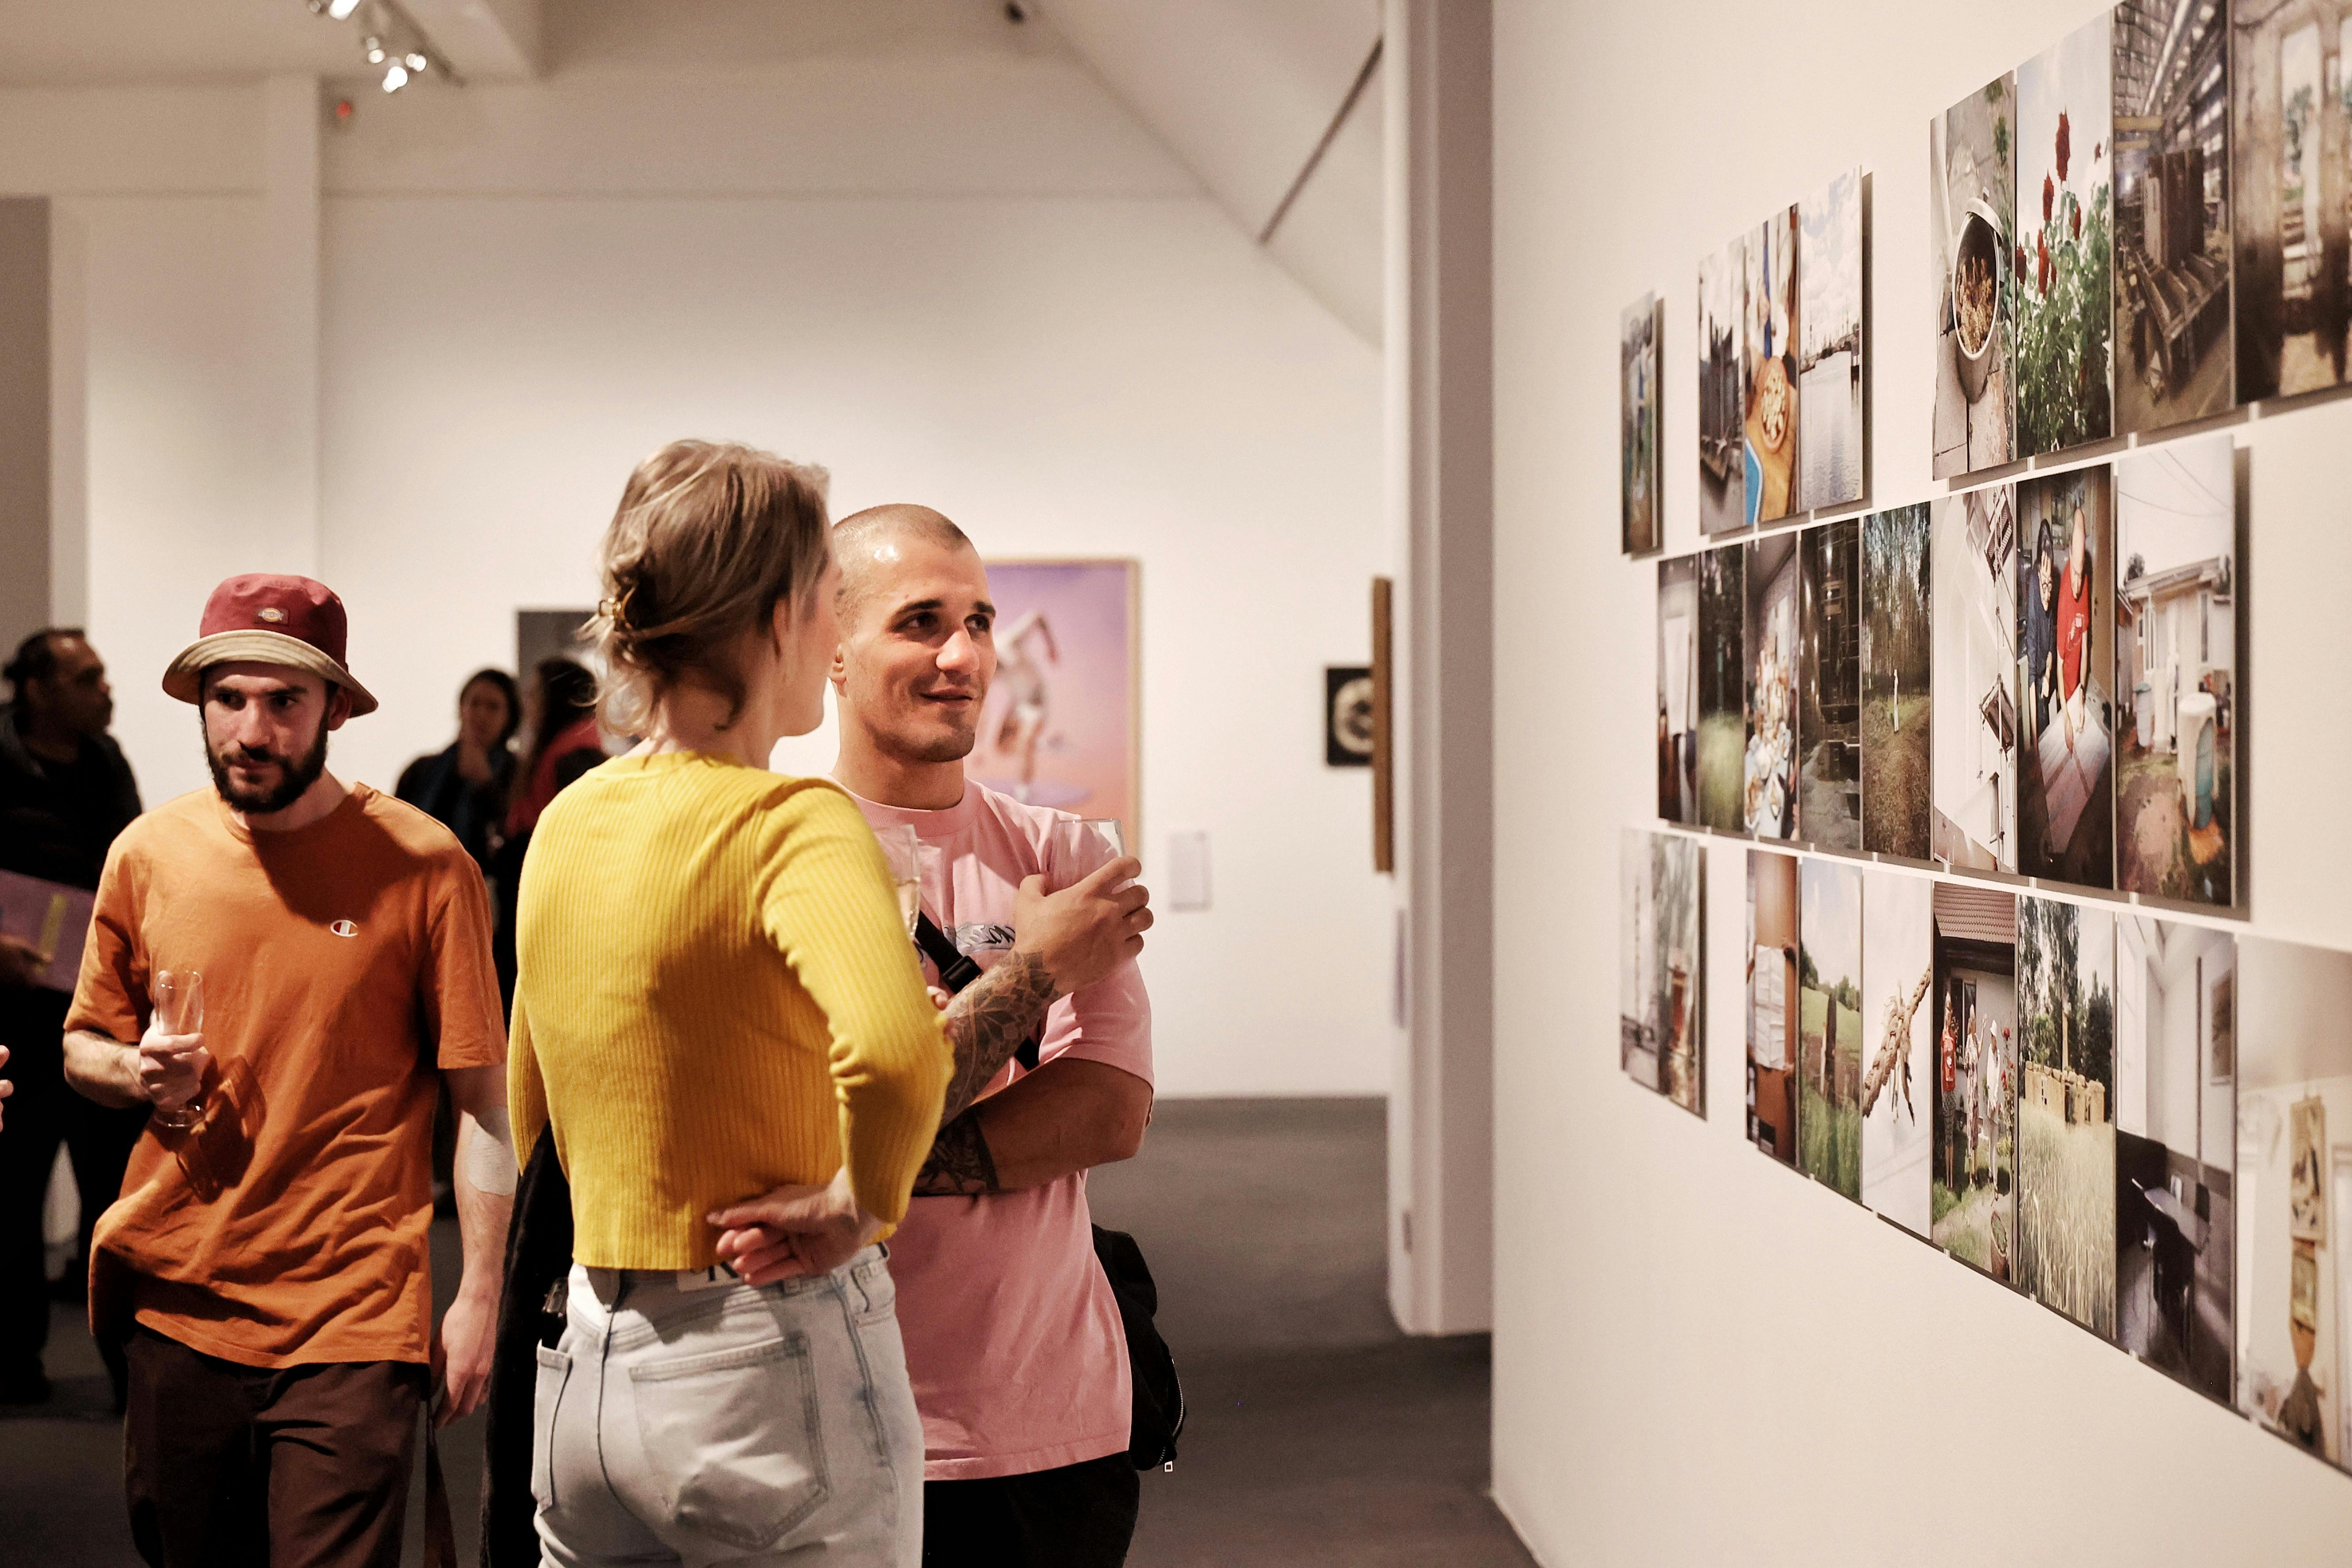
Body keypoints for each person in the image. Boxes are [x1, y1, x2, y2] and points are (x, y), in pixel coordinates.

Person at [510, 441, 951, 1568]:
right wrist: (864, 1202)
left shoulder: (570, 818)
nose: (828, 628)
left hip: (586, 1372)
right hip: (765, 1361)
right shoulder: (788, 821)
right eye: (822, 599)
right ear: (773, 616)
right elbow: (899, 1055)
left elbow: (532, 1104)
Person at [59, 574, 514, 1567]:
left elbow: (482, 1099)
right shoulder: (148, 853)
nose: (251, 731)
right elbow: (82, 1044)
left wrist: (481, 1292)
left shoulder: (425, 862)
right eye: (230, 699)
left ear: (336, 709)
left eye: (284, 701)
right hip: (176, 1298)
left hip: (353, 1313)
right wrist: (138, 1073)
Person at [829, 504, 1156, 1568]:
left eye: (977, 620)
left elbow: (1106, 1109)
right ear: (828, 644)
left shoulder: (1058, 849)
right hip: (823, 1414)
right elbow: (781, 1133)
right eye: (920, 621)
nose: (963, 654)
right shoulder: (771, 852)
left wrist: (870, 1170)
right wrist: (1036, 975)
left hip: (1042, 1419)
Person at [0, 629, 145, 1405]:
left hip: (98, 1012)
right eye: (87, 678)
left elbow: (130, 863)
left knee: (114, 1194)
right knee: (13, 1192)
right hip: (13, 1015)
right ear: (36, 690)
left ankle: (129, 1367)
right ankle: (13, 1362)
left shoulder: (105, 759)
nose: (105, 689)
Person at [488, 657, 601, 1009]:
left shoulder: (575, 759)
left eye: (535, 694)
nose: (528, 703)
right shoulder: (556, 754)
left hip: (557, 927)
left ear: (556, 700)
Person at [396, 666, 521, 874]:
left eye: (493, 707)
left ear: (509, 717)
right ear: (462, 708)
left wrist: (484, 787)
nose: (481, 714)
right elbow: (399, 833)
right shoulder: (422, 770)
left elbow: (512, 842)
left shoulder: (519, 773)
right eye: (474, 703)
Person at [991, 608, 1057, 803]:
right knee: (1002, 748)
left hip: (1037, 699)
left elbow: (1038, 616)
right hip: (1018, 702)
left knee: (1026, 742)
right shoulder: (983, 670)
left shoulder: (1007, 642)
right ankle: (1041, 744)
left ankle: (1024, 791)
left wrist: (1051, 647)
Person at [2022, 518, 2056, 738]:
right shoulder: (2033, 622)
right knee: (2042, 731)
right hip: (2038, 682)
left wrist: (2049, 674)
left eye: (2051, 582)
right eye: (2043, 583)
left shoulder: (2049, 602)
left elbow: (2052, 643)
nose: (2048, 592)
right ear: (2036, 581)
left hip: (2047, 676)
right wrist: (2035, 747)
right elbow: (2031, 681)